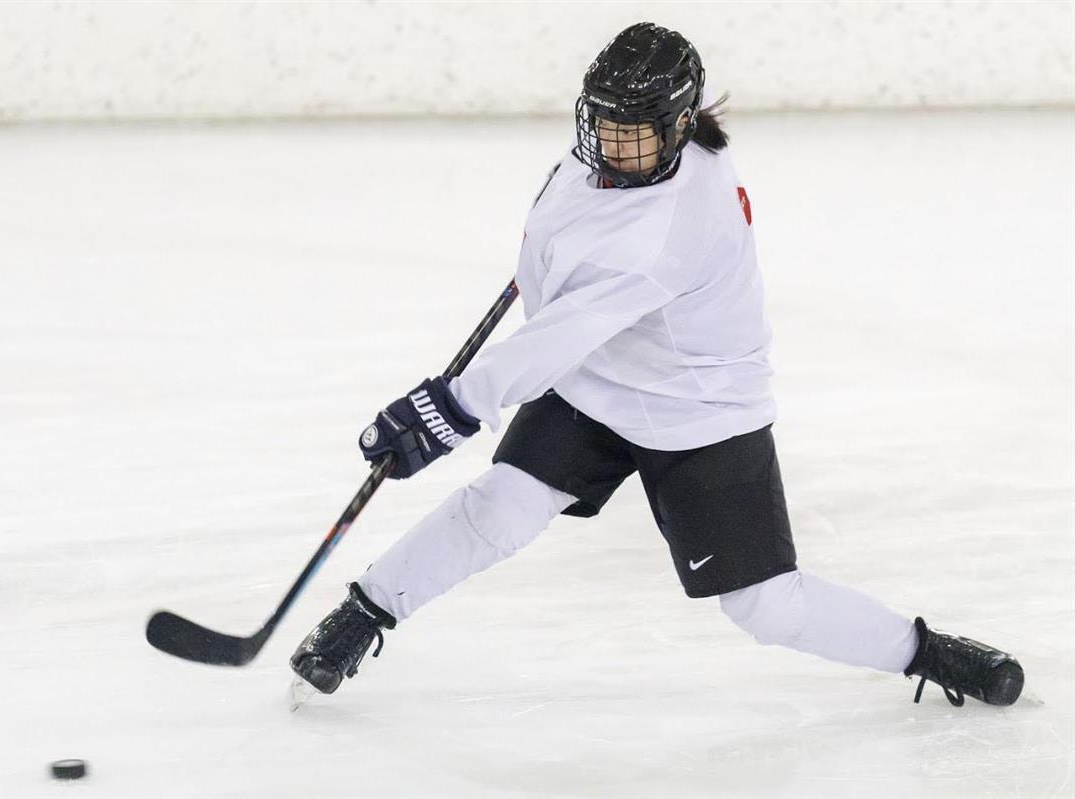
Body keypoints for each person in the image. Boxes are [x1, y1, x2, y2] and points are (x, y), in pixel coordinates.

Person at [289, 22, 1024, 709]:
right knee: (501, 506)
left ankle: (924, 651)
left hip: (699, 410)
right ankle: (367, 609)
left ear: (677, 128)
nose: (612, 146)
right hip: (602, 380)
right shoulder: (623, 153)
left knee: (767, 606)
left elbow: (558, 336)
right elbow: (566, 271)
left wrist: (448, 407)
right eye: (603, 123)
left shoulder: (670, 230)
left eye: (632, 134)